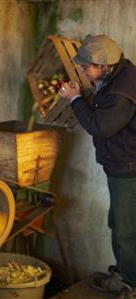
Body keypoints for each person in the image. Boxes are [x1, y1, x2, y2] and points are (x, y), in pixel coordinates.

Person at [59, 34, 136, 299]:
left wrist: (75, 100)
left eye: (86, 67)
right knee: (119, 223)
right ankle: (124, 273)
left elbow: (99, 126)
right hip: (124, 163)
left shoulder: (121, 92)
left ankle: (129, 284)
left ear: (104, 66)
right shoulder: (121, 72)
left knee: (125, 230)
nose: (82, 70)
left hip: (127, 169)